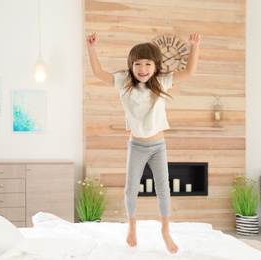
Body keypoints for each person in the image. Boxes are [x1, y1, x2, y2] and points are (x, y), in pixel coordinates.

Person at [86, 32, 201, 254]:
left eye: (148, 64)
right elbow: (98, 72)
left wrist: (194, 46)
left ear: (155, 66)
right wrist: (91, 48)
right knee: (130, 190)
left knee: (163, 189)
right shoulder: (124, 83)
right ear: (131, 66)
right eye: (137, 64)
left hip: (158, 146)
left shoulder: (162, 81)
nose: (142, 68)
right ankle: (131, 227)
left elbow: (190, 71)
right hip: (137, 145)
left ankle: (165, 231)